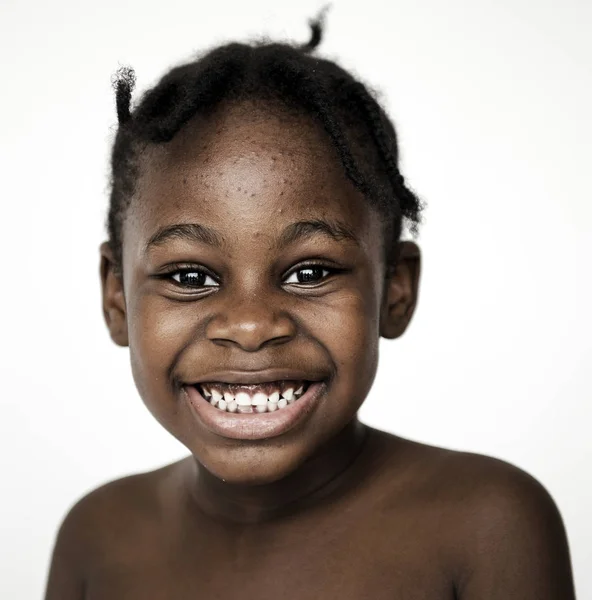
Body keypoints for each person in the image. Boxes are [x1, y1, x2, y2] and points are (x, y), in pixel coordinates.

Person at [44, 14, 576, 600]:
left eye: (310, 272)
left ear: (395, 289)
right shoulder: (95, 537)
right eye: (191, 276)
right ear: (116, 297)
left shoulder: (487, 524)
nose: (250, 326)